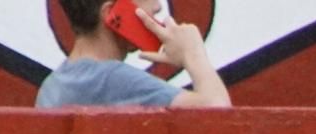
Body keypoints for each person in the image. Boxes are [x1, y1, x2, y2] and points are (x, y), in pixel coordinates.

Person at [37, 1, 231, 109]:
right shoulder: (111, 78)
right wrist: (193, 54)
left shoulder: (52, 85)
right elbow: (218, 112)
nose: (158, 7)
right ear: (111, 14)